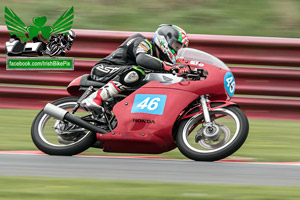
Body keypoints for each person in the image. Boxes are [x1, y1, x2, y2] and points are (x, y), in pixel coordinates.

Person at [81, 24, 189, 112]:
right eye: (176, 46)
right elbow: (141, 59)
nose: (177, 51)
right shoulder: (143, 43)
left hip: (122, 75)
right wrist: (169, 66)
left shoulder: (159, 59)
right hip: (103, 69)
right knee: (137, 72)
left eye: (180, 48)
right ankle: (94, 98)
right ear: (165, 40)